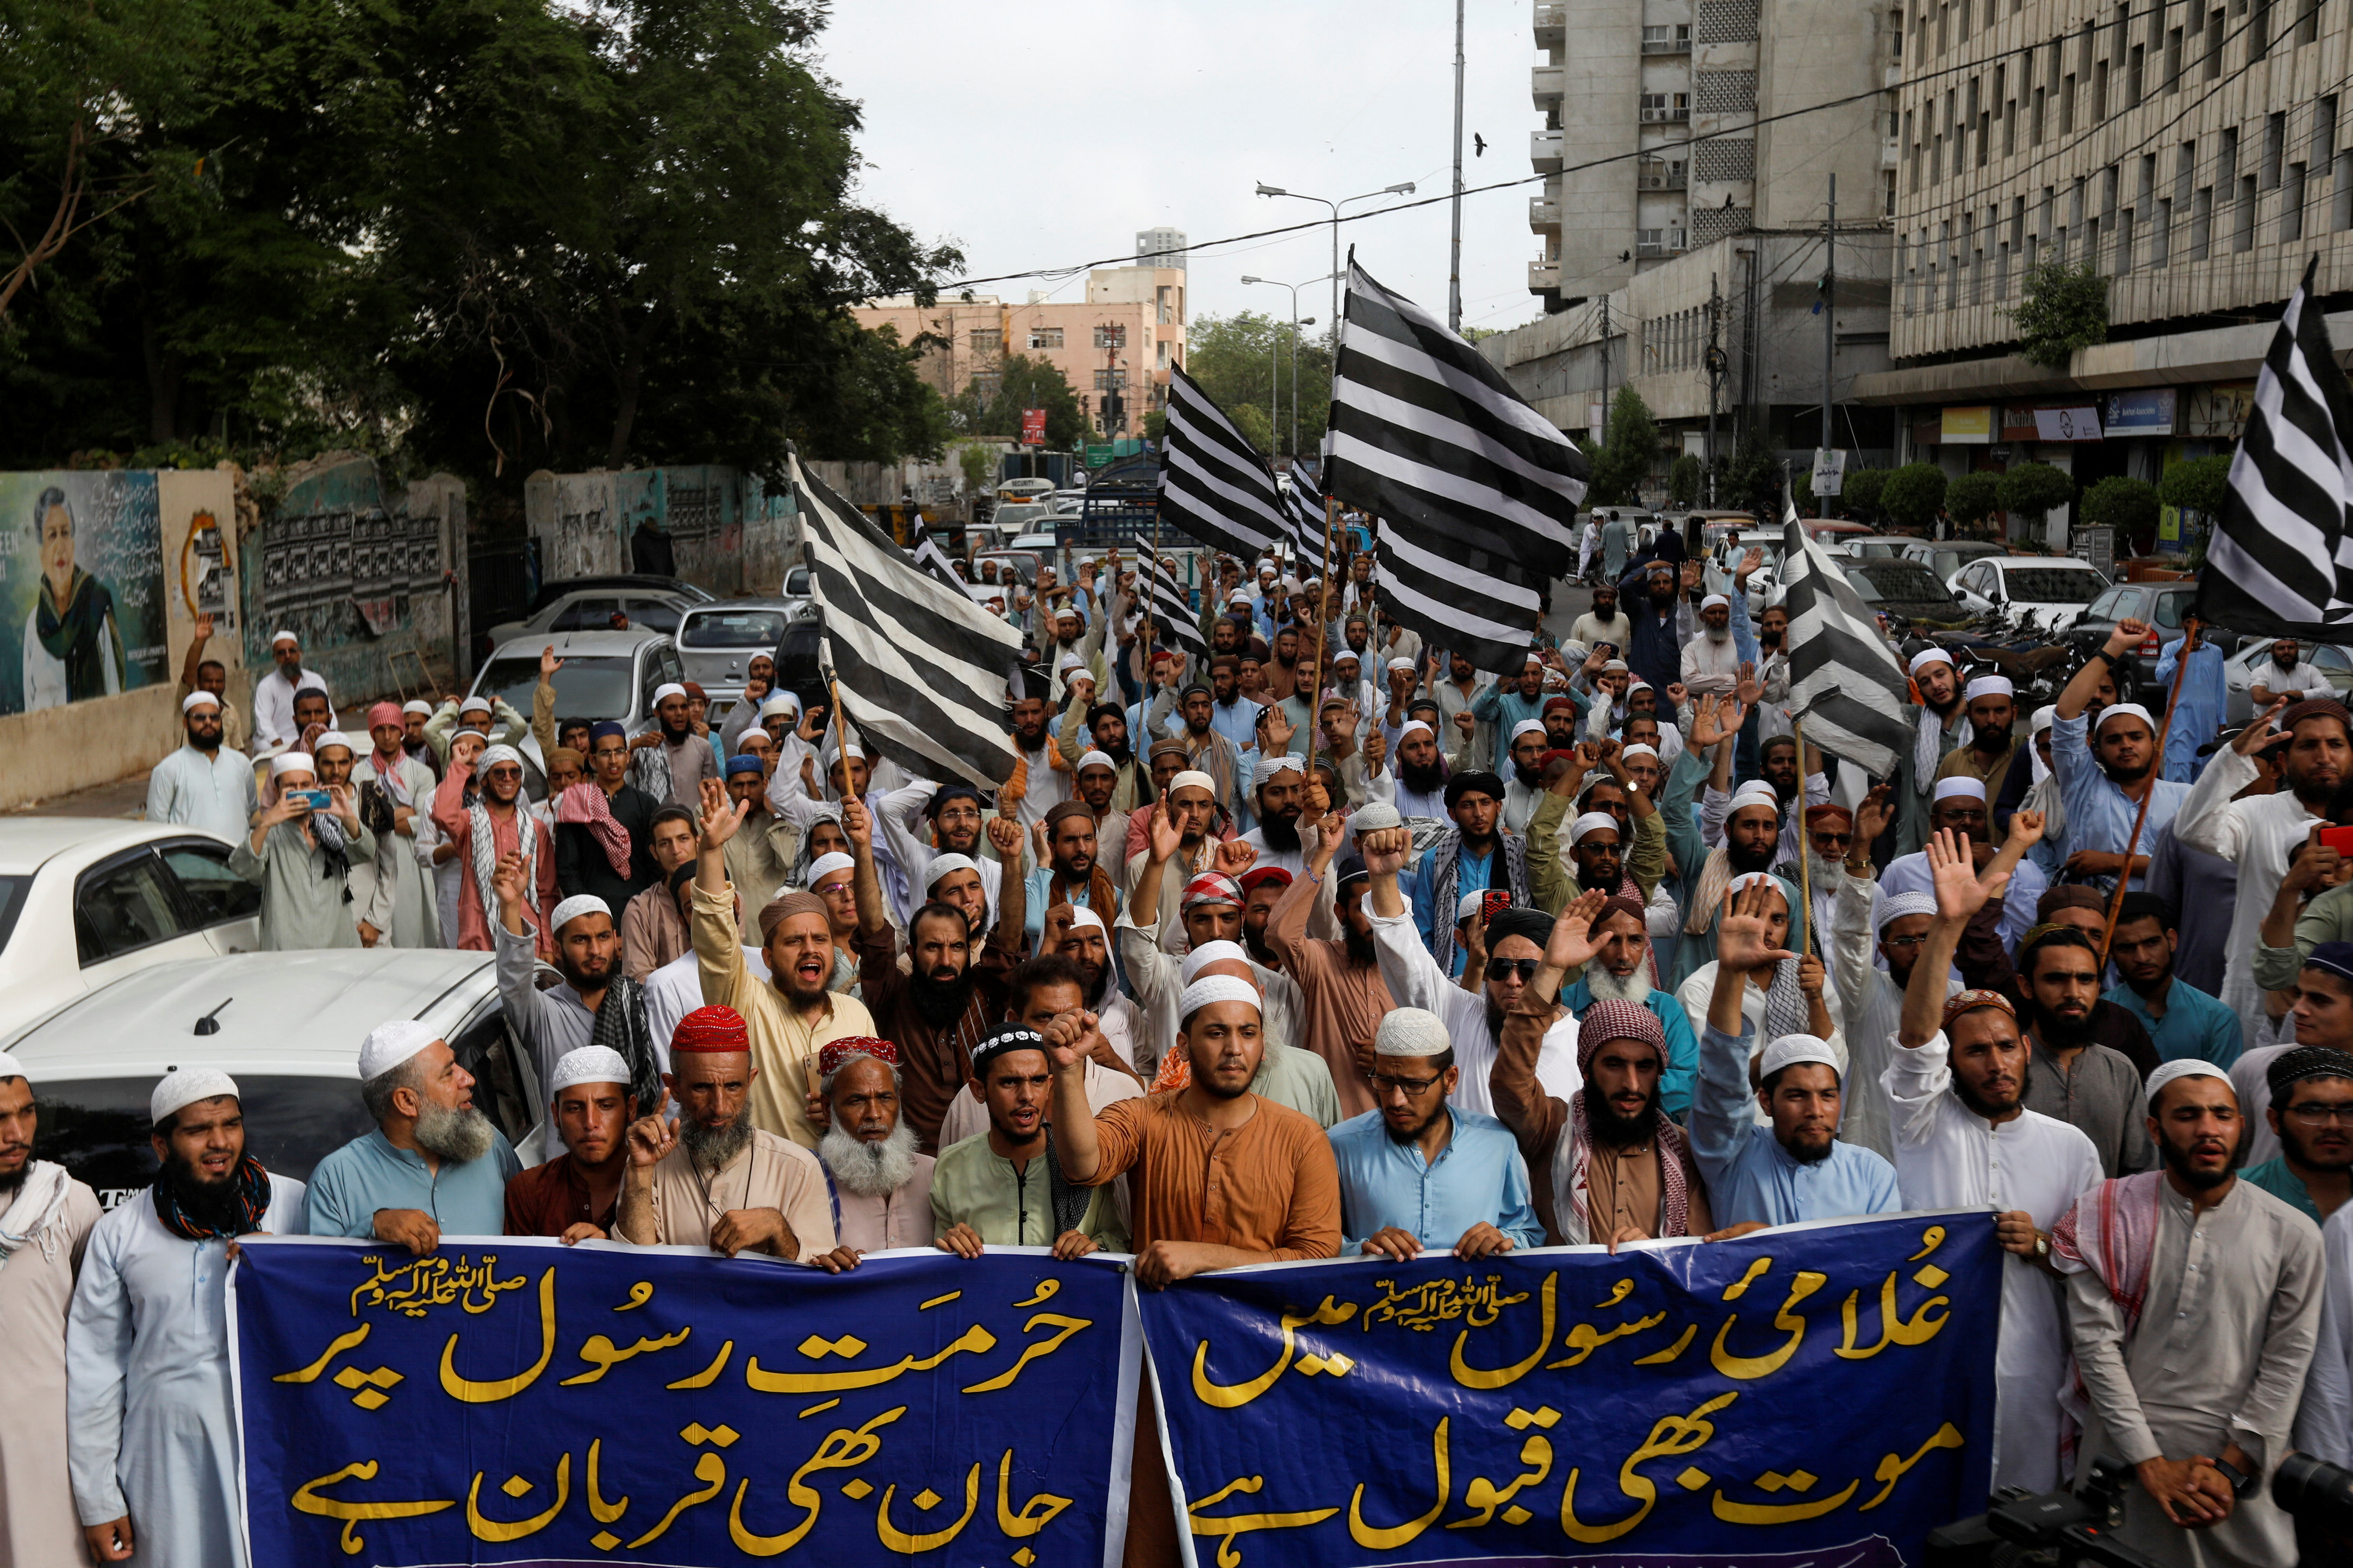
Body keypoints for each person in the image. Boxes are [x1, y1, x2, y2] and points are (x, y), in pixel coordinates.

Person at [1886, 830, 2103, 1493]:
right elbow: (1916, 1038)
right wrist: (1949, 928)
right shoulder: (1922, 1122)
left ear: (2026, 1050)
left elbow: (2099, 1270)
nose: (1996, 1061)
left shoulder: (2071, 1147)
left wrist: (2042, 1246)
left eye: (2007, 1045)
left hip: (2037, 1370)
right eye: (1976, 1049)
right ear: (1953, 1060)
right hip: (1933, 1367)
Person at [2054, 1059, 2323, 1568]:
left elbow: (2288, 1364)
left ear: (2241, 1124)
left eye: (2223, 1114)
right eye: (2188, 1114)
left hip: (2237, 1473)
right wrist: (2151, 1464)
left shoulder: (2293, 1233)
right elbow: (2096, 1348)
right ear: (2155, 1128)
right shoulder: (2106, 1214)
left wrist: (2229, 1470)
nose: (2208, 1128)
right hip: (2123, 1456)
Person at [67, 1069, 307, 1568]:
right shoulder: (120, 1232)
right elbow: (95, 1374)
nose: (220, 1142)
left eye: (231, 1124)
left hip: (278, 1452)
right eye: (199, 1129)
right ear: (162, 1144)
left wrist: (288, 1259)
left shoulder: (292, 1206)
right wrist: (99, 1500)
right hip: (163, 1470)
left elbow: (342, 1306)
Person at [1488, 894, 1715, 1247]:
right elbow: (1510, 1081)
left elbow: (1699, 1254)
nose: (1631, 1084)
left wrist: (1651, 1253)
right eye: (1613, 1065)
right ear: (1587, 1071)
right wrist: (1549, 970)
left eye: (1645, 1067)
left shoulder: (1684, 1151)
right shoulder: (1552, 1130)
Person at [1690, 880, 1901, 1227]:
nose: (1816, 1111)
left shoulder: (1872, 1174)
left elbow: (1879, 1265)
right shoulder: (1732, 1157)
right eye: (1797, 1095)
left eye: (1828, 1095)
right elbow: (1721, 1081)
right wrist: (1732, 974)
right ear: (1766, 1102)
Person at [690, 779, 877, 1148]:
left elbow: (878, 1100)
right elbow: (716, 942)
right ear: (769, 958)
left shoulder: (856, 1016)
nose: (811, 949)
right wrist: (712, 852)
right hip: (771, 1186)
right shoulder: (747, 1003)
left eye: (820, 939)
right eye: (795, 941)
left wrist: (844, 1114)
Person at [844, 794, 1026, 1150]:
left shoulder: (984, 989)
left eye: (957, 948)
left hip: (988, 1156)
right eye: (933, 948)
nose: (946, 960)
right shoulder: (892, 994)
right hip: (915, 1162)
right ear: (912, 952)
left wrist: (1013, 861)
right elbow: (872, 929)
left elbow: (1009, 938)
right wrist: (863, 846)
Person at [2178, 695, 2349, 1050]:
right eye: (2309, 745)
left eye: (2336, 744)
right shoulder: (2258, 813)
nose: (2324, 756)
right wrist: (2231, 760)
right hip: (2259, 1000)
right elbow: (2193, 830)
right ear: (2283, 761)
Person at [613, 1005, 837, 1258]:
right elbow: (638, 1273)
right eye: (702, 1088)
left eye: (733, 1086)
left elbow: (818, 1285)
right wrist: (641, 1172)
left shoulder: (799, 1168)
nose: (719, 1107)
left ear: (750, 1081)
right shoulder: (648, 1166)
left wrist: (777, 1228)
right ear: (674, 1087)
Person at [1328, 1008, 1543, 1258]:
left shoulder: (1497, 1143)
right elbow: (1318, 1241)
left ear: (1450, 1079)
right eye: (1385, 1082)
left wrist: (1504, 1241)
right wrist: (1361, 1249)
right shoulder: (1342, 1145)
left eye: (1414, 1085)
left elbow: (1529, 1234)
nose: (1396, 1100)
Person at [0, 1049, 103, 1567]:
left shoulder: (71, 1201)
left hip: (49, 1448)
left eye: (26, 1112)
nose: (16, 1133)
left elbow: (101, 1333)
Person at [306, 1020, 520, 1243]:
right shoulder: (335, 1180)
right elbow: (315, 1274)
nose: (469, 1079)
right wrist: (372, 1228)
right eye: (449, 1073)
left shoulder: (490, 1144)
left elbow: (536, 1235)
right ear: (407, 1102)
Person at [932, 1023, 1128, 1258]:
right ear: (979, 1090)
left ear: (1050, 1085)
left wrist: (1095, 1247)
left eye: (1037, 1081)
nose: (1027, 1095)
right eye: (1010, 1082)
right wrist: (950, 1246)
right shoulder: (952, 1167)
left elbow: (1119, 1245)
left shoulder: (1082, 1159)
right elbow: (938, 1261)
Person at [1264, 818, 1395, 1120]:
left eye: (1382, 905)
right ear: (1341, 913)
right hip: (1334, 1128)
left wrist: (1393, 1056)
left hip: (1398, 1128)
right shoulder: (1322, 962)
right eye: (1365, 908)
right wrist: (1322, 854)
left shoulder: (1408, 968)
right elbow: (1280, 933)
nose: (1376, 919)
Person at [2053, 623, 2192, 891]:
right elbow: (2066, 713)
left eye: (2136, 737)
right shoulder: (2083, 788)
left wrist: (2112, 862)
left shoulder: (2185, 797)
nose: (2126, 745)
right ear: (2098, 750)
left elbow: (2187, 865)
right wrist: (2115, 646)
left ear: (2155, 746)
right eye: (2114, 740)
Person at [809, 1039, 935, 1264]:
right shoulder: (811, 1182)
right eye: (857, 1101)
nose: (874, 1114)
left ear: (899, 1101)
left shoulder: (935, 1174)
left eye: (885, 1098)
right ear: (829, 1109)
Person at [231, 751, 374, 949]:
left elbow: (367, 852)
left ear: (316, 787)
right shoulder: (269, 832)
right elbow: (243, 869)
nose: (299, 792)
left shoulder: (331, 827)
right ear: (276, 790)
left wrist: (348, 818)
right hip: (288, 952)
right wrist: (265, 824)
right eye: (291, 787)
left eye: (305, 786)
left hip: (339, 947)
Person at [434, 735, 557, 955]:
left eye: (514, 772)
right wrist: (459, 766)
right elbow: (443, 815)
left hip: (529, 936)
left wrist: (548, 944)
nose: (507, 778)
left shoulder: (536, 828)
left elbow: (547, 892)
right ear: (484, 779)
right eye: (499, 772)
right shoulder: (468, 822)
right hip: (479, 934)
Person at [503, 1046, 634, 1240]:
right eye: (574, 1108)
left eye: (606, 1106)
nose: (590, 1123)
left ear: (631, 1109)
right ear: (556, 1115)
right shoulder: (529, 1191)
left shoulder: (663, 1185)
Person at [2104, 892, 2242, 1067]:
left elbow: (2222, 1092)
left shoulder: (2217, 1019)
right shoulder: (2100, 1017)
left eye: (2152, 943)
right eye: (2127, 948)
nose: (2142, 957)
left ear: (2171, 940)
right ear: (2111, 953)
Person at [353, 700, 441, 948]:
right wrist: (404, 814)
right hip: (372, 862)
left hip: (410, 860)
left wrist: (381, 818)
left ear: (402, 730)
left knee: (413, 928)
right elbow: (361, 822)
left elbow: (426, 820)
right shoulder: (360, 773)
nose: (388, 735)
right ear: (372, 733)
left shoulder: (422, 773)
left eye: (393, 728)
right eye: (380, 729)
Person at [2238, 1044, 2353, 1223]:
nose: (2333, 1125)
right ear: (2276, 1121)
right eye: (2312, 1111)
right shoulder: (2236, 1195)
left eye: (2349, 1111)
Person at [556, 721, 664, 912]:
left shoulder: (646, 803)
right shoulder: (577, 802)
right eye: (605, 753)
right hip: (590, 908)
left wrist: (646, 906)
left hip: (640, 907)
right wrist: (586, 908)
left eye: (619, 752)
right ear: (593, 760)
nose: (613, 760)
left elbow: (656, 863)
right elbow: (567, 866)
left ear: (628, 756)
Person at [145, 691, 256, 844]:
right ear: (186, 723)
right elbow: (156, 827)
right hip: (192, 864)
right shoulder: (168, 769)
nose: (208, 722)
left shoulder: (241, 763)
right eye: (200, 718)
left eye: (214, 717)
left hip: (239, 860)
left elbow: (250, 809)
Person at [620, 807, 700, 980]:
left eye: (683, 839)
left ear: (698, 842)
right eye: (665, 843)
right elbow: (639, 978)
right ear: (654, 852)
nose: (676, 850)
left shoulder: (727, 899)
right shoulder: (640, 909)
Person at [719, 753, 796, 918]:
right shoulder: (722, 827)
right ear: (727, 787)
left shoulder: (782, 823)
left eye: (753, 784)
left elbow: (788, 861)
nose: (746, 792)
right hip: (733, 923)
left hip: (773, 921)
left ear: (765, 784)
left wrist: (776, 818)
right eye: (739, 785)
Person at [628, 682, 720, 809]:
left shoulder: (703, 747)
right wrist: (636, 743)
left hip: (694, 825)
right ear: (657, 713)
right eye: (672, 708)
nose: (679, 713)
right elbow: (614, 764)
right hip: (654, 823)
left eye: (684, 707)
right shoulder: (645, 746)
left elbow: (712, 791)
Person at [249, 629, 319, 755]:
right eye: (282, 653)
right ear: (275, 658)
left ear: (300, 653)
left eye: (292, 651)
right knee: (264, 746)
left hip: (310, 736)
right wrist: (277, 742)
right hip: (279, 740)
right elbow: (263, 722)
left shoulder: (315, 680)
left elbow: (330, 717)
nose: (287, 656)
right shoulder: (266, 686)